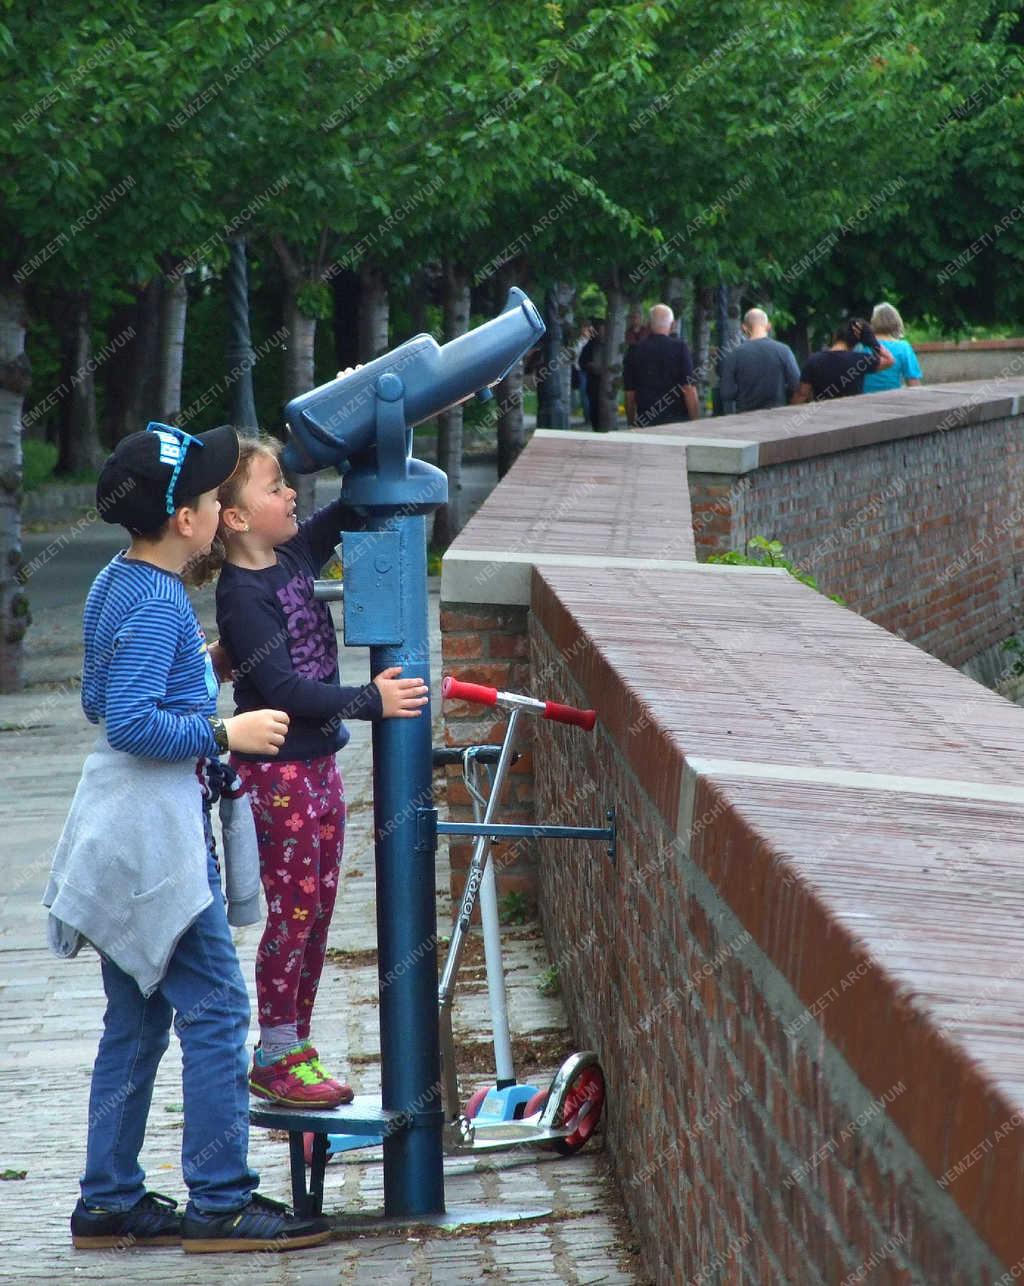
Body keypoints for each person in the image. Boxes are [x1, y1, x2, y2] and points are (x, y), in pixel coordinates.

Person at [43, 422, 333, 1254]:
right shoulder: (158, 596)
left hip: (119, 829)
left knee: (135, 1019)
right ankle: (221, 1200)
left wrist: (200, 665)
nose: (217, 505)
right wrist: (222, 731)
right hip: (154, 838)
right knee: (217, 1009)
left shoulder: (115, 583)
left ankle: (107, 1200)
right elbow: (131, 723)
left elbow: (104, 699)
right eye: (210, 497)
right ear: (187, 521)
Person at [207, 436, 428, 1110]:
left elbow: (344, 512)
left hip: (320, 770)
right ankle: (275, 1051)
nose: (290, 494)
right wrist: (372, 702)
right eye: (275, 487)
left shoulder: (293, 554)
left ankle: (294, 1046)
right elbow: (280, 689)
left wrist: (375, 444)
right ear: (237, 518)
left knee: (320, 911)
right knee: (293, 916)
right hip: (279, 779)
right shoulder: (241, 595)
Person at [623, 303, 699, 426]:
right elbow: (688, 388)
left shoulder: (634, 350)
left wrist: (631, 422)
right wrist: (695, 421)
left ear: (649, 324)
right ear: (673, 324)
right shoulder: (680, 348)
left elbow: (630, 393)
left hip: (646, 420)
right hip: (677, 420)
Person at [790, 317, 895, 403]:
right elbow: (889, 360)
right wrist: (871, 341)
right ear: (857, 342)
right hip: (850, 415)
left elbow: (802, 393)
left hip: (822, 416)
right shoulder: (860, 360)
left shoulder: (814, 360)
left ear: (835, 336)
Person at [719, 308, 801, 414]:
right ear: (768, 326)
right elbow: (797, 385)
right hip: (778, 416)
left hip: (745, 419)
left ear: (744, 328)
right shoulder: (784, 350)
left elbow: (726, 393)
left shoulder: (734, 354)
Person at [862, 302, 923, 393]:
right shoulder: (903, 347)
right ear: (897, 321)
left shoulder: (861, 346)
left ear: (873, 321)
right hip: (892, 401)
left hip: (862, 402)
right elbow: (914, 383)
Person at [578, 317, 605, 428]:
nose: (602, 332)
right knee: (594, 406)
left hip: (605, 381)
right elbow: (582, 362)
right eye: (600, 329)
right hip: (593, 381)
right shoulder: (589, 346)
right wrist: (589, 366)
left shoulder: (610, 346)